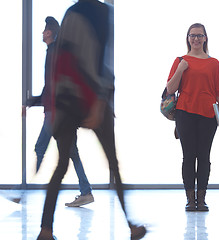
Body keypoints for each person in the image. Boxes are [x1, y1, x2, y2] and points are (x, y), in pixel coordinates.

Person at [36, 1, 146, 240]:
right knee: (112, 164)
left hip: (68, 100)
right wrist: (100, 102)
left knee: (62, 165)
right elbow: (99, 60)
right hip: (88, 96)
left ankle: (46, 230)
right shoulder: (102, 12)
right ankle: (131, 226)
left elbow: (65, 61)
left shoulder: (73, 13)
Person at [26, 16, 94, 208]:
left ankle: (21, 190)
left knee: (41, 148)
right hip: (60, 113)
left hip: (56, 114)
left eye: (43, 30)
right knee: (72, 152)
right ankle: (86, 191)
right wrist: (32, 101)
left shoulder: (54, 53)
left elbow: (55, 87)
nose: (41, 33)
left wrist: (33, 101)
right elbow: (51, 87)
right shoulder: (55, 52)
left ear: (49, 33)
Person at [166, 23, 219, 211]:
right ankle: (189, 199)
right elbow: (170, 89)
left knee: (203, 157)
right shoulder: (180, 61)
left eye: (199, 35)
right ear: (187, 38)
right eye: (192, 35)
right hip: (185, 114)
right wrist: (181, 69)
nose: (195, 39)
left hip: (208, 116)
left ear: (205, 38)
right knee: (188, 157)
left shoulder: (214, 63)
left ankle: (201, 199)